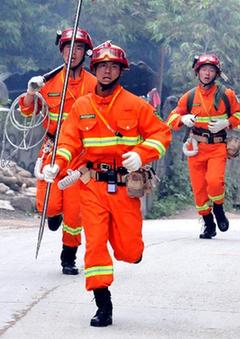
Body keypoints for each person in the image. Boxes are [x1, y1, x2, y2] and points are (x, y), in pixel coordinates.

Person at [42, 41, 171, 327]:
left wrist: (141, 153)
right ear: (95, 69)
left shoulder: (135, 105)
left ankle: (129, 251)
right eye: (102, 66)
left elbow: (161, 135)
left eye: (113, 66)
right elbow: (68, 141)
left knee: (129, 251)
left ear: (120, 71)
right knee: (95, 245)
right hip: (92, 186)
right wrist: (57, 164)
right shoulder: (82, 106)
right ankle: (103, 302)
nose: (107, 71)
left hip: (125, 188)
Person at [19, 27, 96, 275]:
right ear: (61, 51)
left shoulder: (94, 84)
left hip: (80, 154)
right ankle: (53, 213)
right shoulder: (48, 82)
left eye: (79, 49)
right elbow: (28, 111)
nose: (72, 53)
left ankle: (68, 256)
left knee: (74, 213)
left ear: (85, 53)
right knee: (48, 205)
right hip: (52, 149)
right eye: (68, 48)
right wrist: (30, 93)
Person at [166, 53, 240, 239]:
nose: (207, 73)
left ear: (217, 73)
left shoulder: (227, 95)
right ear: (198, 72)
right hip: (196, 147)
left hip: (217, 145)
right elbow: (171, 118)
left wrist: (226, 123)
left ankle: (218, 209)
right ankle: (209, 224)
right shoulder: (189, 96)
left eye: (211, 70)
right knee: (199, 189)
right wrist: (182, 118)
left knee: (215, 182)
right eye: (204, 70)